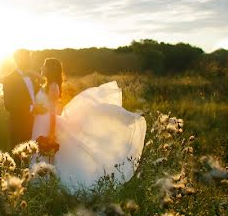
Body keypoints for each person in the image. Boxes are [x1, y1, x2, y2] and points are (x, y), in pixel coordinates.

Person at [31, 57, 146, 191]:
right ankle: (40, 183)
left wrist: (51, 132)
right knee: (39, 153)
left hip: (46, 123)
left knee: (45, 153)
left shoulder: (53, 86)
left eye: (45, 65)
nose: (42, 67)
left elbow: (52, 111)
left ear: (50, 69)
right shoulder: (46, 84)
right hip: (40, 122)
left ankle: (43, 185)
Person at [2, 49, 41, 148]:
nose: (29, 61)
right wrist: (31, 108)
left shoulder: (32, 77)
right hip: (19, 126)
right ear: (17, 60)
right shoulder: (9, 79)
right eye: (26, 58)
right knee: (20, 158)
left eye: (29, 58)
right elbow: (8, 105)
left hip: (35, 124)